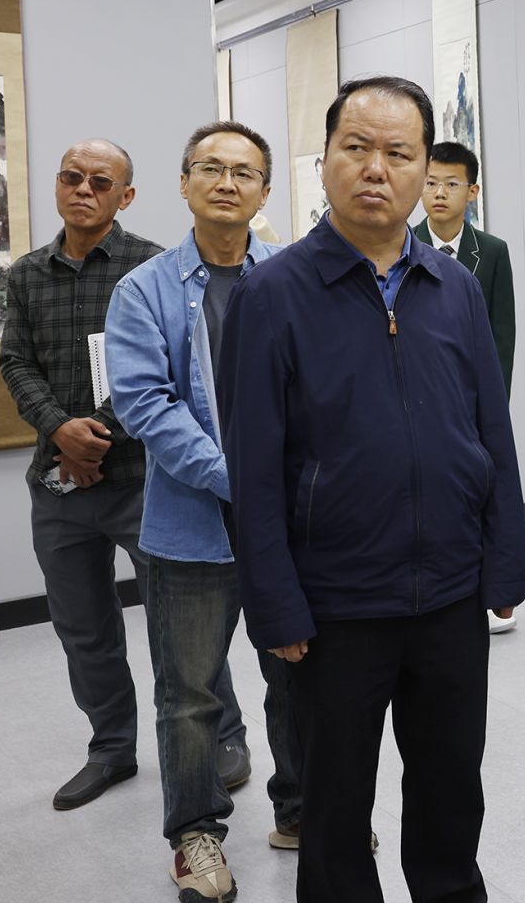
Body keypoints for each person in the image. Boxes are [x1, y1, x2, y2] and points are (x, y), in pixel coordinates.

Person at [219, 76, 525, 903]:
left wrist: (506, 556)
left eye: (399, 152)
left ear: (425, 169)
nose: (376, 168)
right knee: (334, 809)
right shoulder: (272, 294)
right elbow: (252, 467)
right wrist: (274, 603)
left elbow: (491, 432)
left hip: (449, 594)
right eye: (356, 147)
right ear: (323, 159)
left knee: (451, 793)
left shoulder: (455, 288)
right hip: (336, 604)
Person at [107, 121, 300, 903]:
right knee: (190, 696)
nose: (227, 182)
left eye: (244, 171)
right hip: (190, 531)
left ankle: (303, 809)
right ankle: (196, 837)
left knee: (300, 677)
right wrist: (242, 479)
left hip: (289, 531)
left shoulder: (292, 279)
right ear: (184, 182)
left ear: (264, 190)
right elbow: (146, 404)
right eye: (210, 168)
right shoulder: (144, 290)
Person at [0, 138, 173, 811]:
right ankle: (112, 749)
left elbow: (162, 365)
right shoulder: (27, 275)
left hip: (143, 481)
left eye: (101, 182)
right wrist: (61, 431)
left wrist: (94, 435)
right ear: (56, 185)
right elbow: (16, 363)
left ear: (125, 196)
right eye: (72, 177)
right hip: (59, 487)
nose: (83, 190)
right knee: (84, 628)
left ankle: (219, 738)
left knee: (179, 623)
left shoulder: (151, 266)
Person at [412, 139, 520, 635]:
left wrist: (491, 412)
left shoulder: (491, 252)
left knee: (482, 492)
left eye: (451, 184)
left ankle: (489, 588)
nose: (439, 193)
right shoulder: (403, 243)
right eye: (431, 183)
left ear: (472, 191)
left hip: (472, 405)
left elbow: (502, 338)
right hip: (416, 398)